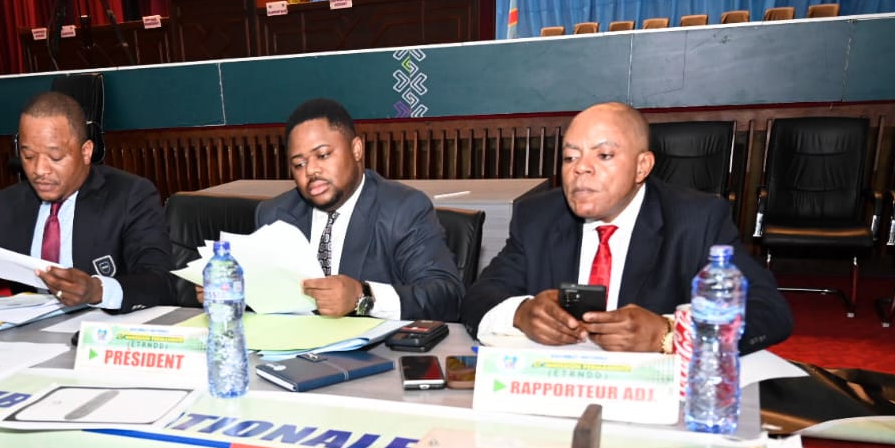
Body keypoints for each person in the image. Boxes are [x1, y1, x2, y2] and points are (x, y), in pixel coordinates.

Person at [461, 101, 792, 354]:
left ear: (642, 166)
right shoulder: (538, 217)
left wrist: (668, 333)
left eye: (604, 155)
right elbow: (479, 297)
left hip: (654, 399)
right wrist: (521, 313)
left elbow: (767, 311)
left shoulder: (697, 219)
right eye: (570, 157)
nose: (581, 169)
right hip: (556, 387)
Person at [0, 91, 176, 313]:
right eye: (28, 156)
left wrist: (97, 290)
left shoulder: (129, 195)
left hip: (102, 331)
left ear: (86, 152)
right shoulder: (10, 202)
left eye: (55, 157)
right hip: (30, 336)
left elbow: (160, 281)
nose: (39, 170)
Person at [255, 98, 464, 321]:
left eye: (323, 155)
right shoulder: (274, 215)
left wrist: (363, 297)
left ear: (356, 150)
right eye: (299, 164)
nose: (311, 170)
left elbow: (447, 297)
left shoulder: (403, 209)